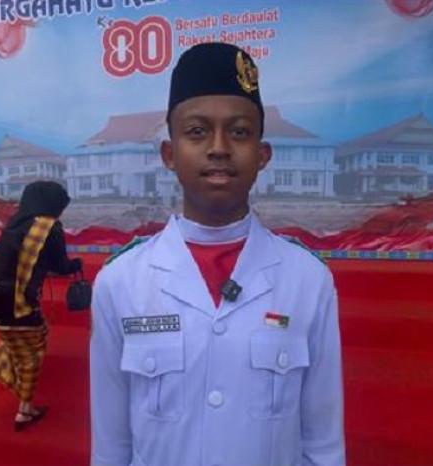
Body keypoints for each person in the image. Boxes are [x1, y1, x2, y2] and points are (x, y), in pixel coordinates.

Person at [90, 43, 345, 466]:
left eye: (239, 132)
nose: (219, 148)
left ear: (262, 155)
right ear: (169, 155)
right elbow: (110, 444)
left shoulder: (307, 280)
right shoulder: (121, 282)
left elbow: (323, 443)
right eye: (197, 131)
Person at [0, 181, 82, 431]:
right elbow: (61, 266)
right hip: (16, 301)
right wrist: (76, 264)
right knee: (33, 352)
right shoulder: (49, 227)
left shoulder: (15, 222)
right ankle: (25, 410)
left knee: (15, 337)